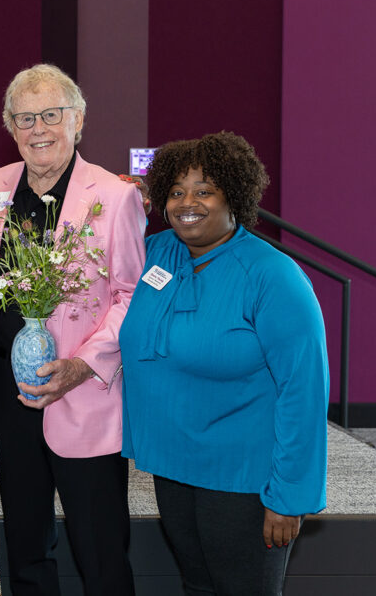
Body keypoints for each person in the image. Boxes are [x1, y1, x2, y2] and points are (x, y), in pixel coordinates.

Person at [120, 131, 330, 596]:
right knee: (197, 586)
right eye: (175, 192)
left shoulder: (272, 275)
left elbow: (304, 389)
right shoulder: (155, 254)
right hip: (173, 468)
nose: (186, 202)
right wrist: (122, 203)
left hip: (245, 479)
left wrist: (289, 496)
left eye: (204, 190)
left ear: (233, 195)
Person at [0, 63, 146, 594]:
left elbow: (131, 295)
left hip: (81, 389)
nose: (38, 129)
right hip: (9, 390)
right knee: (24, 545)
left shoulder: (115, 196)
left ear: (79, 120)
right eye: (25, 118)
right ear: (8, 124)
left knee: (100, 549)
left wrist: (81, 365)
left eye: (51, 115)